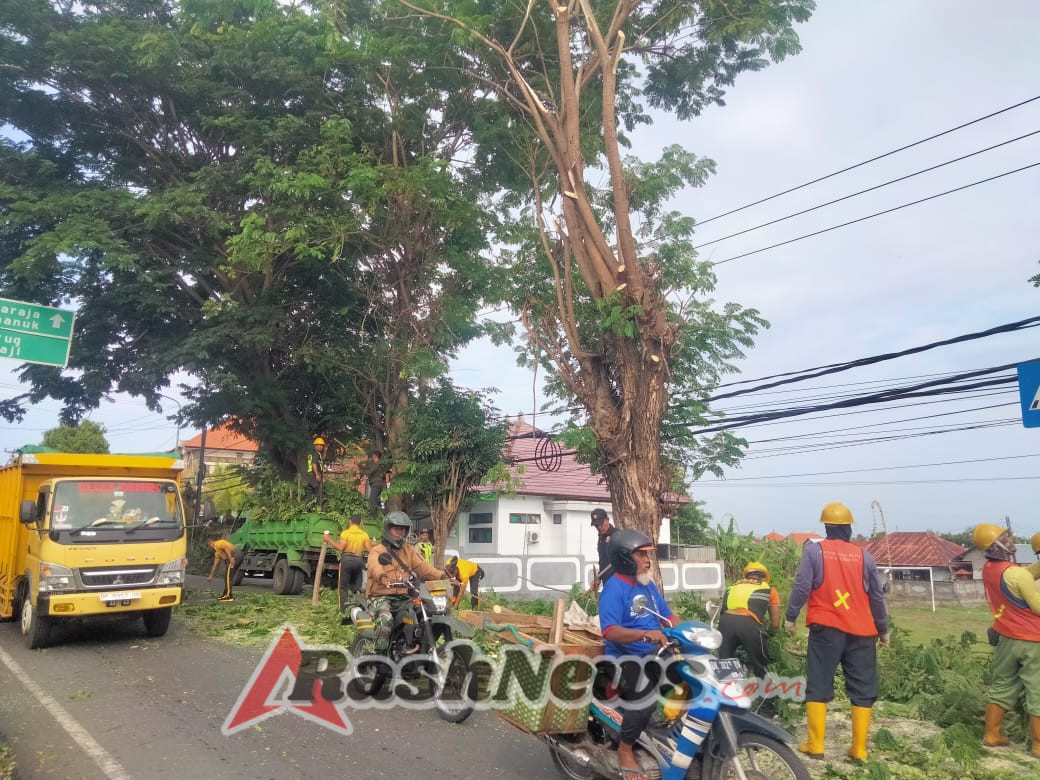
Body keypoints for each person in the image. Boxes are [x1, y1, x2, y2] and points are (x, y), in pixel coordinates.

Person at [785, 501, 888, 762]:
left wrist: (791, 617)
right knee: (863, 688)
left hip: (826, 628)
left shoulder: (814, 551)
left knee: (819, 683)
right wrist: (882, 629)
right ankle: (859, 750)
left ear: (827, 527)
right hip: (863, 631)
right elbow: (877, 596)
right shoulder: (865, 556)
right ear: (849, 528)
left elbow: (801, 586)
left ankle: (816, 746)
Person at [598, 529, 676, 780]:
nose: (647, 559)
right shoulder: (613, 588)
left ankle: (668, 740)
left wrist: (692, 631)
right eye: (641, 554)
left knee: (687, 688)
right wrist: (644, 635)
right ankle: (625, 749)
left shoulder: (647, 585)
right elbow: (610, 631)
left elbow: (669, 617)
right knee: (645, 701)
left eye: (647, 554)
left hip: (655, 653)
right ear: (624, 557)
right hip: (623, 659)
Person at [974, 523, 1040, 756]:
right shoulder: (1017, 574)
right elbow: (1037, 606)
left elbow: (1022, 577)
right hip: (1033, 639)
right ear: (996, 544)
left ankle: (992, 734)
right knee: (1038, 690)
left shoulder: (990, 569)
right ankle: (1039, 745)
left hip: (1007, 637)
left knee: (1001, 685)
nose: (1011, 540)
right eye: (1005, 537)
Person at [366, 511, 445, 652]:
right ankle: (378, 656)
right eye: (396, 529)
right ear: (388, 529)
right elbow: (374, 567)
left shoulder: (409, 550)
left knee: (427, 613)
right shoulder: (377, 551)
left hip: (403, 598)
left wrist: (442, 575)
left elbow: (423, 568)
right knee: (386, 620)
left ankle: (418, 648)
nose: (400, 533)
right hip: (380, 597)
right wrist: (383, 577)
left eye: (403, 529)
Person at [719, 561, 781, 717]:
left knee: (725, 663)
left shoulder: (732, 587)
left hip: (725, 623)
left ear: (746, 575)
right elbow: (775, 623)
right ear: (764, 577)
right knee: (762, 665)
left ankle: (729, 703)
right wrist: (771, 633)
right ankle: (767, 707)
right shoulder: (769, 589)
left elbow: (723, 611)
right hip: (749, 625)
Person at [323, 516, 373, 614]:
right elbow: (370, 550)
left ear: (350, 522)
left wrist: (329, 539)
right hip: (359, 561)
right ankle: (359, 608)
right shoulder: (364, 534)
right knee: (357, 587)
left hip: (346, 560)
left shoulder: (346, 533)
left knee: (343, 587)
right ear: (360, 523)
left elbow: (340, 547)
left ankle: (344, 610)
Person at [207, 536, 244, 602]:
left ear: (211, 542)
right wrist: (211, 576)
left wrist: (230, 558)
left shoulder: (218, 543)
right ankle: (225, 594)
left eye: (209, 544)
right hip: (236, 556)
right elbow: (215, 565)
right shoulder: (218, 552)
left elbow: (226, 548)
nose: (210, 547)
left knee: (228, 577)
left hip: (235, 556)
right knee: (227, 577)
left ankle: (229, 596)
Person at [590, 507, 617, 590]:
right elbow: (604, 560)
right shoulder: (601, 537)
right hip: (607, 582)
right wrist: (598, 577)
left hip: (617, 582)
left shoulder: (617, 536)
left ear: (607, 519)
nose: (599, 528)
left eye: (601, 524)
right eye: (596, 525)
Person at [362, 450, 388, 517]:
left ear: (375, 456)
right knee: (377, 500)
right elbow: (368, 469)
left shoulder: (377, 464)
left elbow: (370, 471)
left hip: (376, 484)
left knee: (372, 499)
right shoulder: (380, 464)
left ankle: (373, 514)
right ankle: (379, 513)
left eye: (373, 456)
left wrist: (362, 471)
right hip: (380, 484)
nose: (372, 458)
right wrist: (360, 466)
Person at [305, 436, 327, 504]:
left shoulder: (315, 453)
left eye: (322, 445)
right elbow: (314, 464)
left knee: (310, 492)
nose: (321, 447)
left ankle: (307, 508)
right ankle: (318, 508)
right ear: (315, 446)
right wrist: (317, 475)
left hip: (310, 475)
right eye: (319, 445)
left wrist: (325, 450)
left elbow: (322, 459)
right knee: (319, 491)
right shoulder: (315, 454)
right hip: (313, 475)